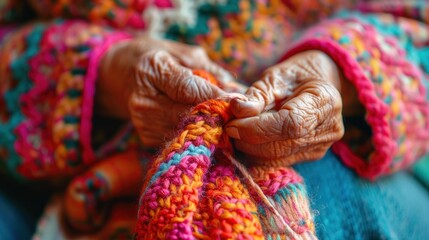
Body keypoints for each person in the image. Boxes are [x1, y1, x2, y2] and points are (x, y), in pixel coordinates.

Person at [0, 0, 428, 239]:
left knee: (340, 207)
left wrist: (335, 73)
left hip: (338, 148)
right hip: (59, 152)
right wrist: (101, 73)